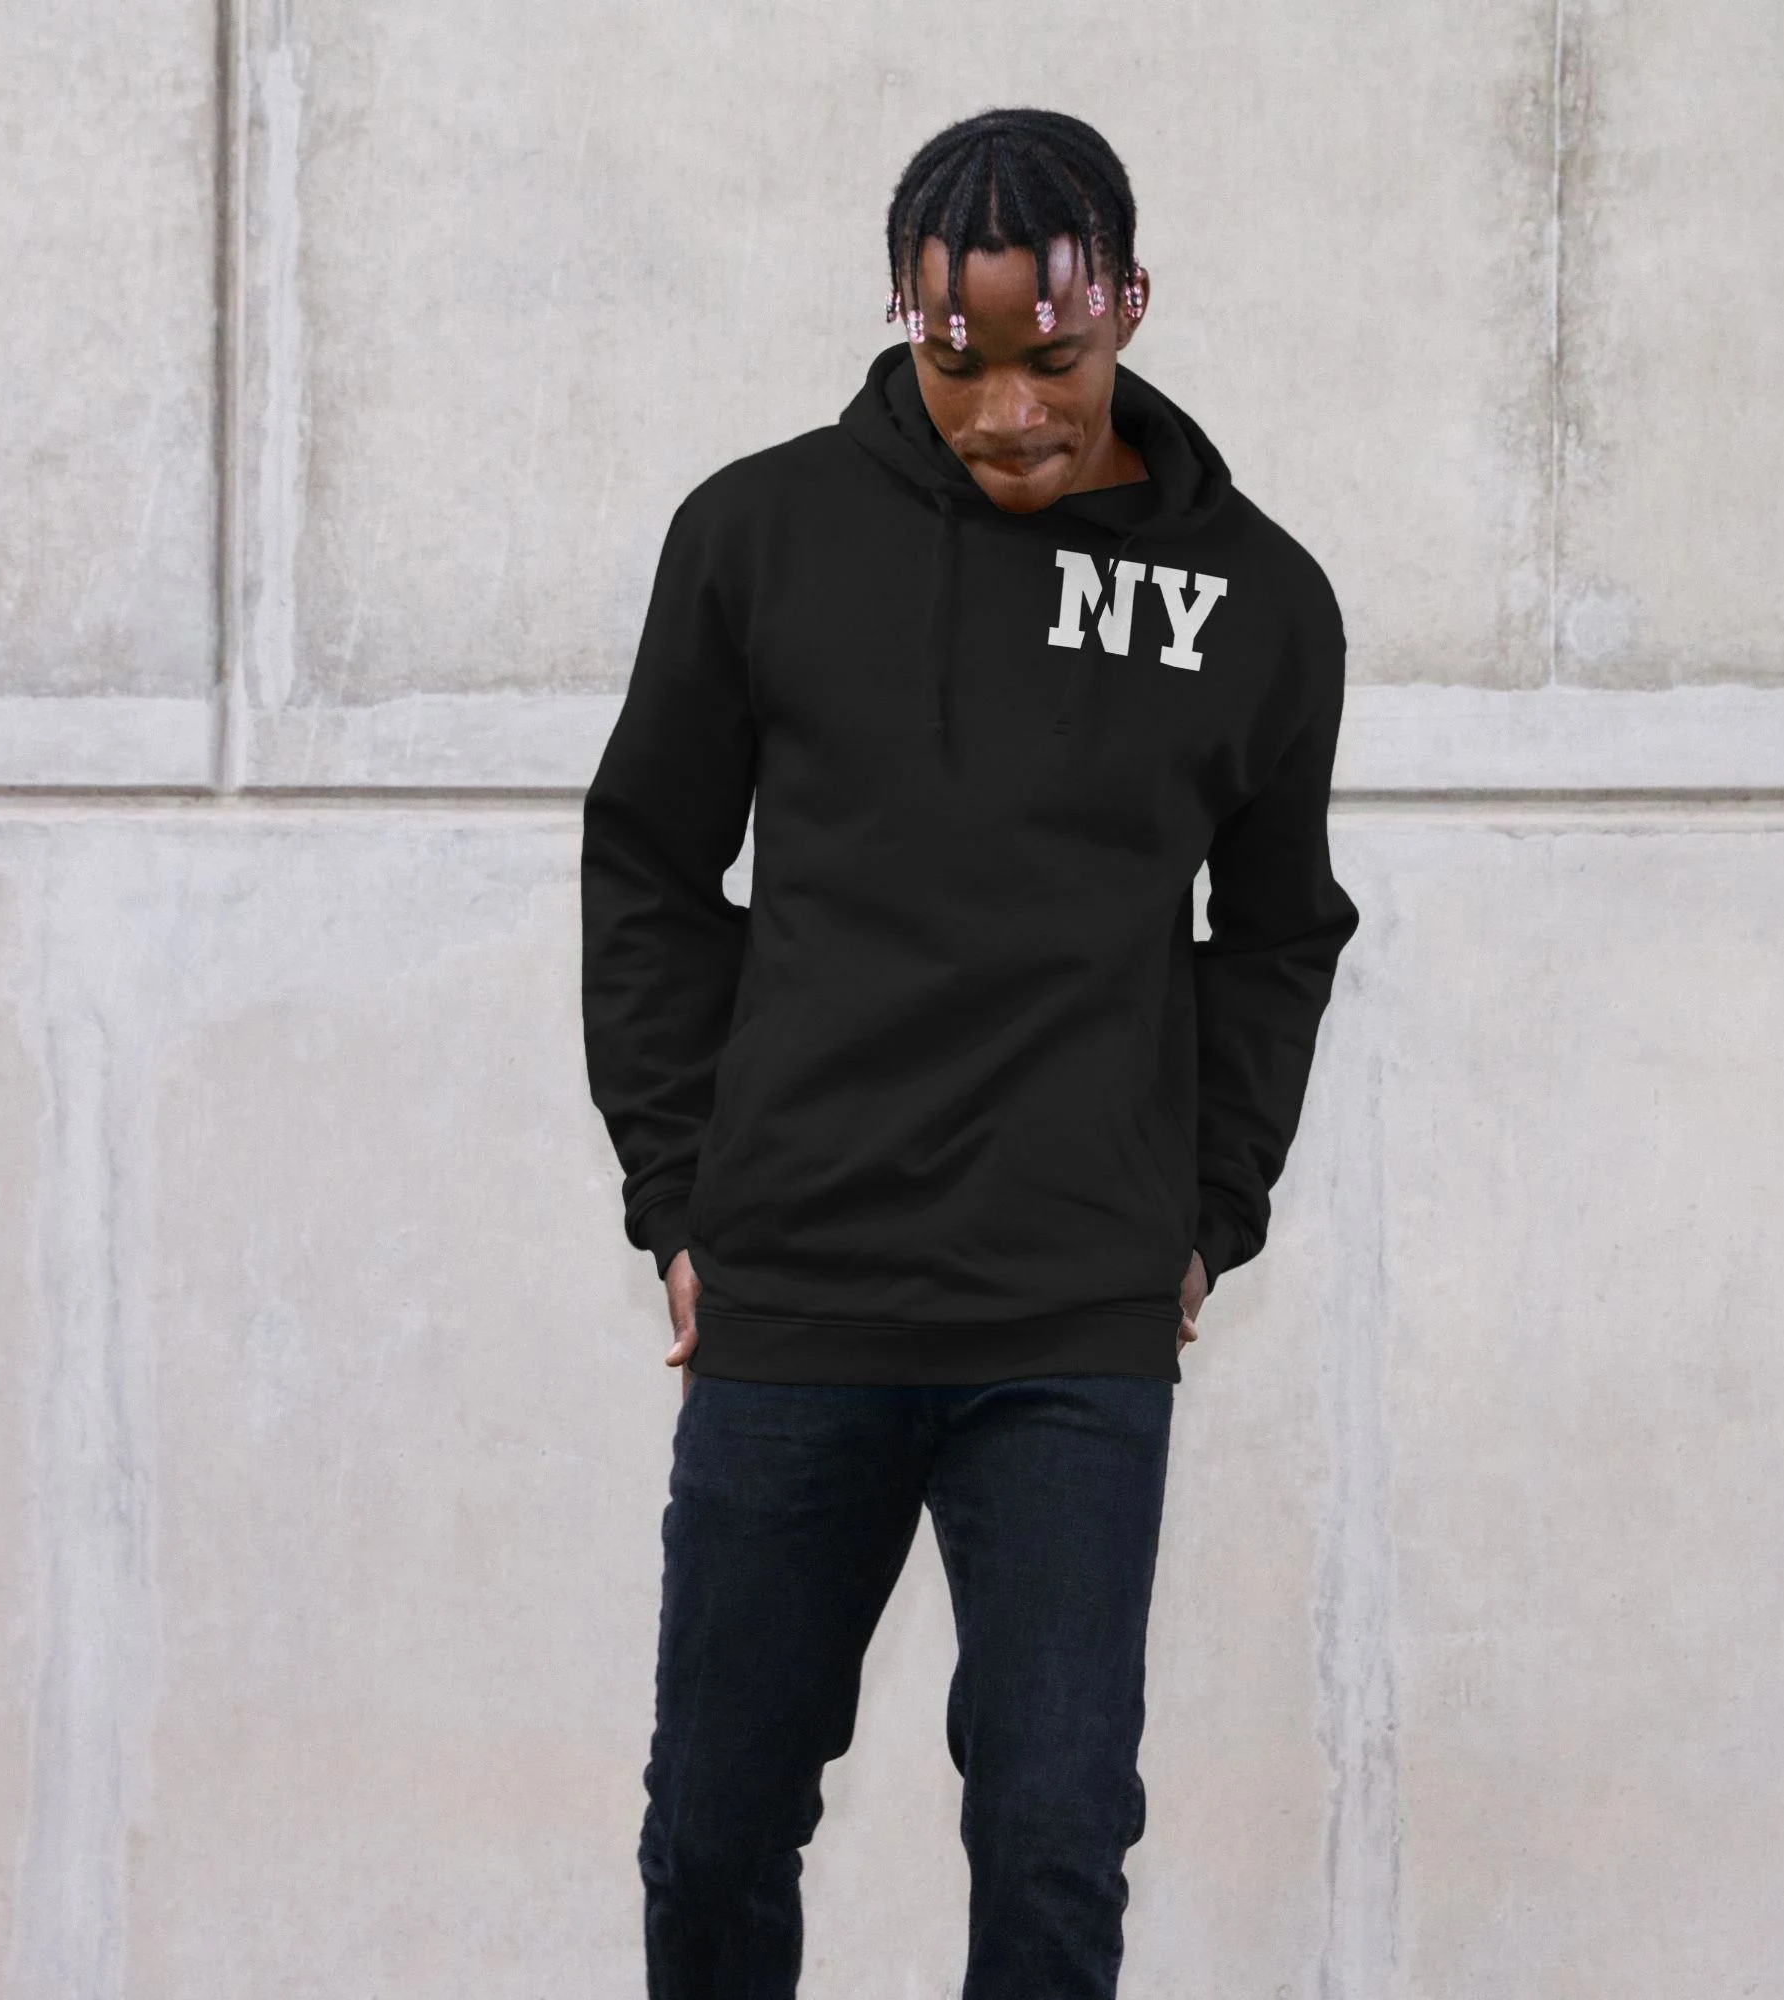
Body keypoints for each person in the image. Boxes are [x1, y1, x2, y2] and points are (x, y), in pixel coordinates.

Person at [580, 105, 1361, 2000]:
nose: (1009, 412)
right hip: (801, 1289)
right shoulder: (759, 537)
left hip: (1071, 1310)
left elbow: (1276, 933)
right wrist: (679, 1195)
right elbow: (651, 866)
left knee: (1051, 1839)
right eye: (960, 362)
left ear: (1131, 307)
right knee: (715, 1828)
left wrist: (1207, 1212)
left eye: (1054, 359)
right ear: (902, 317)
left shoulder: (1258, 600)